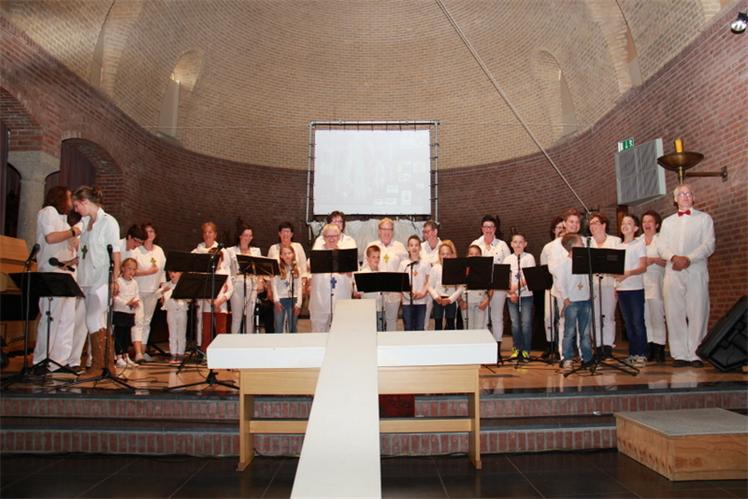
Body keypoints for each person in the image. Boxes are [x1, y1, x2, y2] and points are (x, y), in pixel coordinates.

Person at [656, 184, 715, 368]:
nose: (685, 196)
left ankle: (696, 354)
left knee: (698, 310)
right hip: (673, 270)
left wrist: (689, 258)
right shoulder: (667, 222)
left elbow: (708, 244)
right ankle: (679, 354)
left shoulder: (704, 219)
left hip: (696, 269)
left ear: (693, 197)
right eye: (681, 194)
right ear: (675, 199)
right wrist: (674, 257)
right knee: (674, 312)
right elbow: (661, 246)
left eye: (689, 193)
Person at [73, 186, 121, 376]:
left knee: (93, 318)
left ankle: (98, 365)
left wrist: (114, 279)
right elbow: (85, 252)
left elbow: (115, 253)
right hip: (86, 278)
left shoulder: (108, 222)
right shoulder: (85, 222)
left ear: (85, 202)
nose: (76, 209)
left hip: (102, 278)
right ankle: (108, 365)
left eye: (77, 205)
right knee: (98, 320)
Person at [32, 186, 80, 373]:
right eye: (69, 197)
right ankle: (41, 360)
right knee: (51, 317)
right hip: (52, 272)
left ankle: (59, 360)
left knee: (67, 319)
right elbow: (51, 238)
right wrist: (73, 232)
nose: (71, 202)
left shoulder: (63, 219)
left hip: (66, 272)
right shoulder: (48, 212)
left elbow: (69, 245)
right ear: (60, 197)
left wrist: (74, 256)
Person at [471, 215, 511, 344]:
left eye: (491, 227)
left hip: (498, 286)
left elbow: (508, 266)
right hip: (481, 287)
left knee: (497, 317)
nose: (488, 230)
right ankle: (484, 345)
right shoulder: (475, 244)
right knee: (483, 317)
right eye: (486, 227)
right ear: (482, 228)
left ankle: (497, 346)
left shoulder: (502, 245)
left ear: (495, 229)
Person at [557, 234, 594, 373]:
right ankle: (567, 358)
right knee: (569, 332)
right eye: (581, 244)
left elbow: (587, 280)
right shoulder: (563, 264)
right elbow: (560, 284)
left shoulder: (585, 262)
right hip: (572, 302)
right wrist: (566, 299)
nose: (584, 246)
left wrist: (590, 294)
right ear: (572, 247)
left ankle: (587, 358)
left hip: (585, 300)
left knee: (585, 332)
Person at [547, 209, 582, 358]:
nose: (574, 225)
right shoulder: (555, 245)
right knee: (564, 322)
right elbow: (552, 268)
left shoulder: (584, 241)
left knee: (582, 323)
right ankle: (564, 355)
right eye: (571, 222)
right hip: (563, 289)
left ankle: (583, 354)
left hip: (581, 289)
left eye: (577, 222)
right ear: (565, 224)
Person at [615, 215, 648, 368]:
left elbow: (643, 267)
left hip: (635, 289)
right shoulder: (618, 246)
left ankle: (642, 354)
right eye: (623, 223)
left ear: (635, 228)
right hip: (622, 289)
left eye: (629, 223)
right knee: (628, 323)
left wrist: (627, 273)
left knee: (637, 322)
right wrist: (615, 284)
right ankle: (633, 354)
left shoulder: (639, 244)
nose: (625, 225)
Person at [587, 212, 621, 355]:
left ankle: (607, 345)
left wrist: (617, 286)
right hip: (592, 285)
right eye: (590, 224)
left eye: (595, 223)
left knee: (608, 315)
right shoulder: (587, 242)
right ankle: (597, 345)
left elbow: (619, 265)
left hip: (609, 283)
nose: (592, 226)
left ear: (604, 225)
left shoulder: (615, 241)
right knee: (594, 316)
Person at [365, 218, 408, 331]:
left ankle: (390, 341)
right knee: (375, 321)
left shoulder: (399, 246)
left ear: (393, 231)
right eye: (384, 229)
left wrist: (403, 289)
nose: (386, 232)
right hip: (375, 292)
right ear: (379, 230)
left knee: (391, 321)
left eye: (389, 229)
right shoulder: (372, 245)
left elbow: (405, 268)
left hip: (394, 292)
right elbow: (365, 267)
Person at [191, 221, 230, 347]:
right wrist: (211, 301)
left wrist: (219, 302)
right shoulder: (197, 251)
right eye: (205, 232)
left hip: (220, 302)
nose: (208, 235)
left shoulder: (223, 252)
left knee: (221, 329)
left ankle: (221, 351)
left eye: (210, 232)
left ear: (215, 234)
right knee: (204, 327)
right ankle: (202, 349)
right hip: (205, 299)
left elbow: (229, 284)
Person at [308, 224, 353, 332]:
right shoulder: (317, 252)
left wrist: (347, 271)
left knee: (341, 331)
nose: (332, 239)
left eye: (335, 236)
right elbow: (309, 267)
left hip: (341, 298)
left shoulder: (346, 254)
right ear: (324, 237)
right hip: (320, 300)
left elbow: (351, 274)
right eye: (329, 236)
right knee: (319, 332)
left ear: (339, 237)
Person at [132, 222, 165, 362]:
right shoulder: (137, 250)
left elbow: (162, 271)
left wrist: (163, 291)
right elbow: (130, 270)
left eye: (152, 231)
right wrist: (147, 272)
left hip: (153, 291)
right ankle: (137, 353)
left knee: (147, 321)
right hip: (138, 291)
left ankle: (143, 351)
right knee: (138, 321)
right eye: (147, 231)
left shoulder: (159, 250)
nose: (149, 234)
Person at [639, 210, 668, 363]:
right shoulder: (638, 241)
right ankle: (650, 349)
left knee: (657, 317)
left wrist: (654, 260)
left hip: (657, 283)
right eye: (644, 221)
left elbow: (668, 261)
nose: (647, 224)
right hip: (641, 283)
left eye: (650, 221)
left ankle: (659, 349)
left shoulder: (661, 240)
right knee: (645, 318)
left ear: (656, 225)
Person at [504, 233, 536, 362]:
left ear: (525, 244)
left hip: (526, 295)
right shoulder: (508, 259)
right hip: (511, 296)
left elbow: (528, 277)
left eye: (521, 242)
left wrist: (516, 289)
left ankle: (526, 350)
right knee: (515, 324)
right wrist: (511, 292)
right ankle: (517, 348)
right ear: (511, 244)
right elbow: (506, 278)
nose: (518, 244)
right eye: (515, 242)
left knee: (526, 324)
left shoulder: (529, 257)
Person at [227, 224, 262, 334]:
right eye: (245, 235)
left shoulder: (256, 251)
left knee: (250, 316)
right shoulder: (231, 251)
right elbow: (227, 269)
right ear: (240, 236)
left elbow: (259, 270)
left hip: (252, 285)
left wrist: (260, 282)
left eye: (250, 236)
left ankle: (248, 341)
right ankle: (234, 341)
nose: (248, 238)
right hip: (236, 285)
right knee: (237, 317)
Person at [539, 216, 565, 358]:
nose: (561, 230)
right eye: (558, 227)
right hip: (550, 285)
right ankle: (550, 345)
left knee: (562, 316)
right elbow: (544, 268)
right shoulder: (548, 247)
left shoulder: (568, 245)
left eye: (563, 227)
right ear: (553, 230)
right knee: (548, 316)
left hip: (564, 286)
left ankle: (563, 346)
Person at [428, 240, 462, 331]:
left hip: (450, 299)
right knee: (438, 324)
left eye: (447, 254)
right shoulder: (435, 268)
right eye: (442, 254)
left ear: (451, 254)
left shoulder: (456, 268)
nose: (445, 256)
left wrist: (451, 299)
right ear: (439, 255)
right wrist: (436, 297)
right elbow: (430, 286)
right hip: (438, 300)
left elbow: (460, 287)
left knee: (451, 324)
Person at [113, 258, 140, 369]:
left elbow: (137, 294)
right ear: (123, 268)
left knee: (127, 335)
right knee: (119, 334)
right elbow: (115, 296)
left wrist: (135, 302)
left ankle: (126, 355)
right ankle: (118, 356)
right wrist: (126, 302)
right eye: (129, 269)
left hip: (130, 312)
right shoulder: (118, 281)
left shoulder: (134, 282)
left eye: (134, 269)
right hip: (120, 311)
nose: (131, 272)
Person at [399, 235, 430, 331]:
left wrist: (422, 293)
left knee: (420, 327)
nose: (414, 247)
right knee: (408, 327)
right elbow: (400, 282)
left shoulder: (425, 263)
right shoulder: (404, 264)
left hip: (421, 301)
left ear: (420, 248)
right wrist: (408, 293)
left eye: (416, 245)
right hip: (407, 301)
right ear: (408, 248)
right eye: (411, 245)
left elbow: (429, 280)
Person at [157, 271, 188, 365]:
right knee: (172, 334)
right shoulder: (166, 284)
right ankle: (173, 354)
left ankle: (181, 354)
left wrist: (183, 296)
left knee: (181, 334)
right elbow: (156, 294)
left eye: (175, 272)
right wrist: (163, 291)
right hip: (171, 311)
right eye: (170, 272)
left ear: (180, 274)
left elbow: (189, 298)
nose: (172, 274)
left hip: (182, 311)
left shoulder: (184, 285)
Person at [353, 245, 385, 331]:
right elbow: (356, 292)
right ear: (367, 259)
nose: (376, 259)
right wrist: (357, 292)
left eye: (378, 257)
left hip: (380, 308)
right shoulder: (362, 273)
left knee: (380, 331)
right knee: (368, 331)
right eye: (373, 257)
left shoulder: (382, 273)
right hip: (367, 309)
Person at [271, 245, 302, 333]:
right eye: (284, 254)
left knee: (292, 326)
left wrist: (299, 304)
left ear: (293, 254)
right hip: (280, 300)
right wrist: (276, 301)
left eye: (289, 253)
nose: (287, 255)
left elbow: (299, 287)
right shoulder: (277, 268)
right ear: (281, 256)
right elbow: (274, 285)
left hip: (293, 299)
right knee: (278, 325)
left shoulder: (297, 269)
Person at [462, 244, 490, 330]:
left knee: (480, 329)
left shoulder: (486, 268)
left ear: (481, 256)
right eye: (471, 254)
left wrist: (487, 301)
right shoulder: (462, 269)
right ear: (467, 256)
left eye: (476, 254)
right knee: (468, 329)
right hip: (466, 303)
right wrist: (460, 301)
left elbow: (491, 287)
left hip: (481, 303)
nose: (474, 256)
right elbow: (457, 286)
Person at [420, 220, 441, 329]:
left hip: (440, 288)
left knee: (441, 319)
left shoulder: (444, 246)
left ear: (435, 231)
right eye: (424, 232)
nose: (426, 235)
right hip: (425, 288)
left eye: (427, 232)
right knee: (424, 318)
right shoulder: (421, 247)